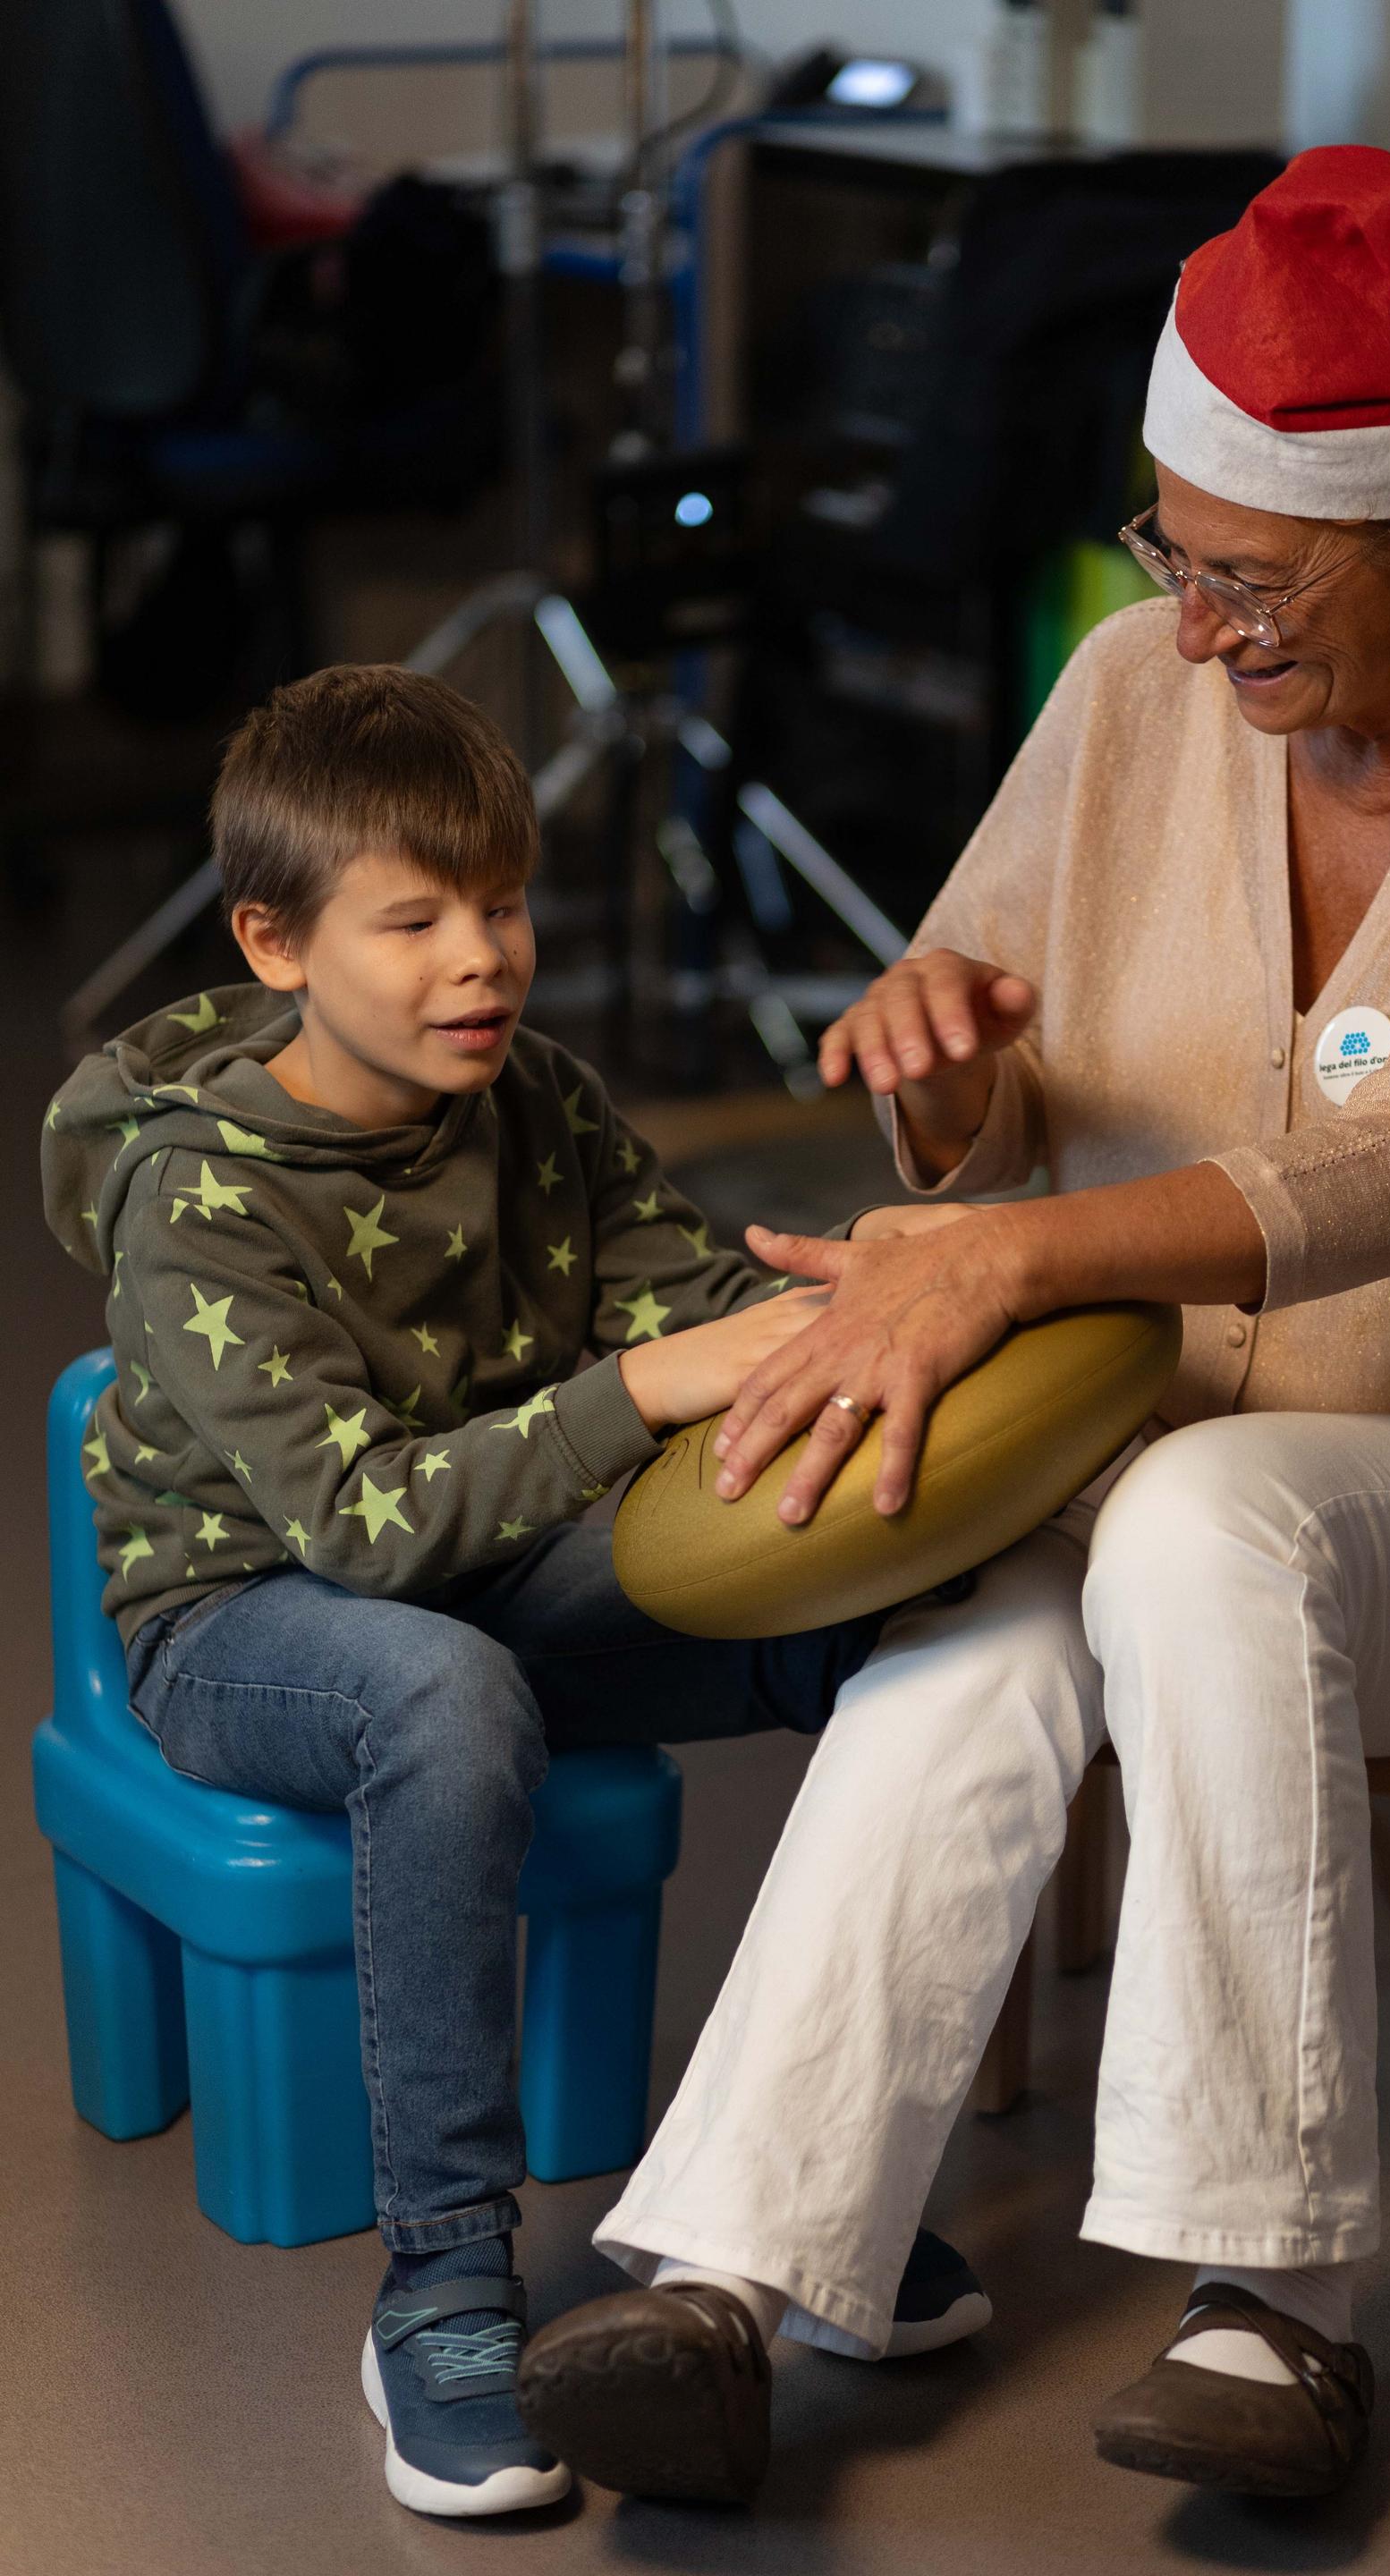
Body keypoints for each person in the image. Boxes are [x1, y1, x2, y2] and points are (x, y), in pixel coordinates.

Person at [518, 146, 1390, 2506]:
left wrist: (1003, 1258)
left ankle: (1282, 2300)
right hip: (1155, 1456)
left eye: (1250, 578)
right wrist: (950, 1087)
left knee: (1203, 1524)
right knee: (981, 1642)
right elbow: (982, 1062)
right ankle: (726, 2280)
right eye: (1173, 553)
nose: (1189, 622)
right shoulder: (1122, 688)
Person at [39, 664, 989, 2522]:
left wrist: (870, 1291)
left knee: (884, 1619)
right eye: (414, 919)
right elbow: (364, 1534)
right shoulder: (198, 1196)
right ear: (276, 939)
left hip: (495, 1576)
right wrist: (634, 1398)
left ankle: (806, 2188)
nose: (483, 956)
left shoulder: (536, 1100)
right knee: (437, 1693)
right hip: (247, 1627)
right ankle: (445, 2287)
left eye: (504, 902)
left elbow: (700, 1315)